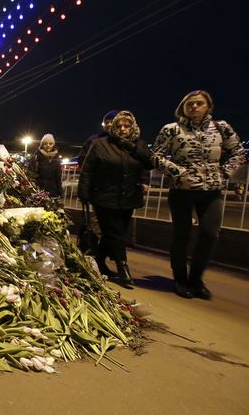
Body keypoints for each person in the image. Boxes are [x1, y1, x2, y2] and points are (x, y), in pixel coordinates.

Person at [152, 90, 245, 300]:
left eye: (199, 103)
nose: (194, 107)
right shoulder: (171, 129)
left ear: (208, 107)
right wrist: (178, 172)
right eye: (190, 104)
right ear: (183, 107)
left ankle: (197, 279)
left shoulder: (221, 128)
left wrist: (225, 172)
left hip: (212, 190)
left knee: (210, 234)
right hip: (182, 190)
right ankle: (180, 280)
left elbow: (238, 152)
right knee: (181, 235)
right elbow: (155, 156)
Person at [78, 111, 154, 288]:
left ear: (133, 127)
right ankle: (123, 269)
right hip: (104, 196)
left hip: (128, 197)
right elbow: (87, 169)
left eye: (126, 125)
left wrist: (134, 149)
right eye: (118, 126)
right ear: (112, 127)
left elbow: (149, 163)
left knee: (114, 233)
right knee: (115, 232)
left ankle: (99, 261)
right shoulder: (100, 144)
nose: (122, 129)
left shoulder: (139, 145)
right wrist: (84, 194)